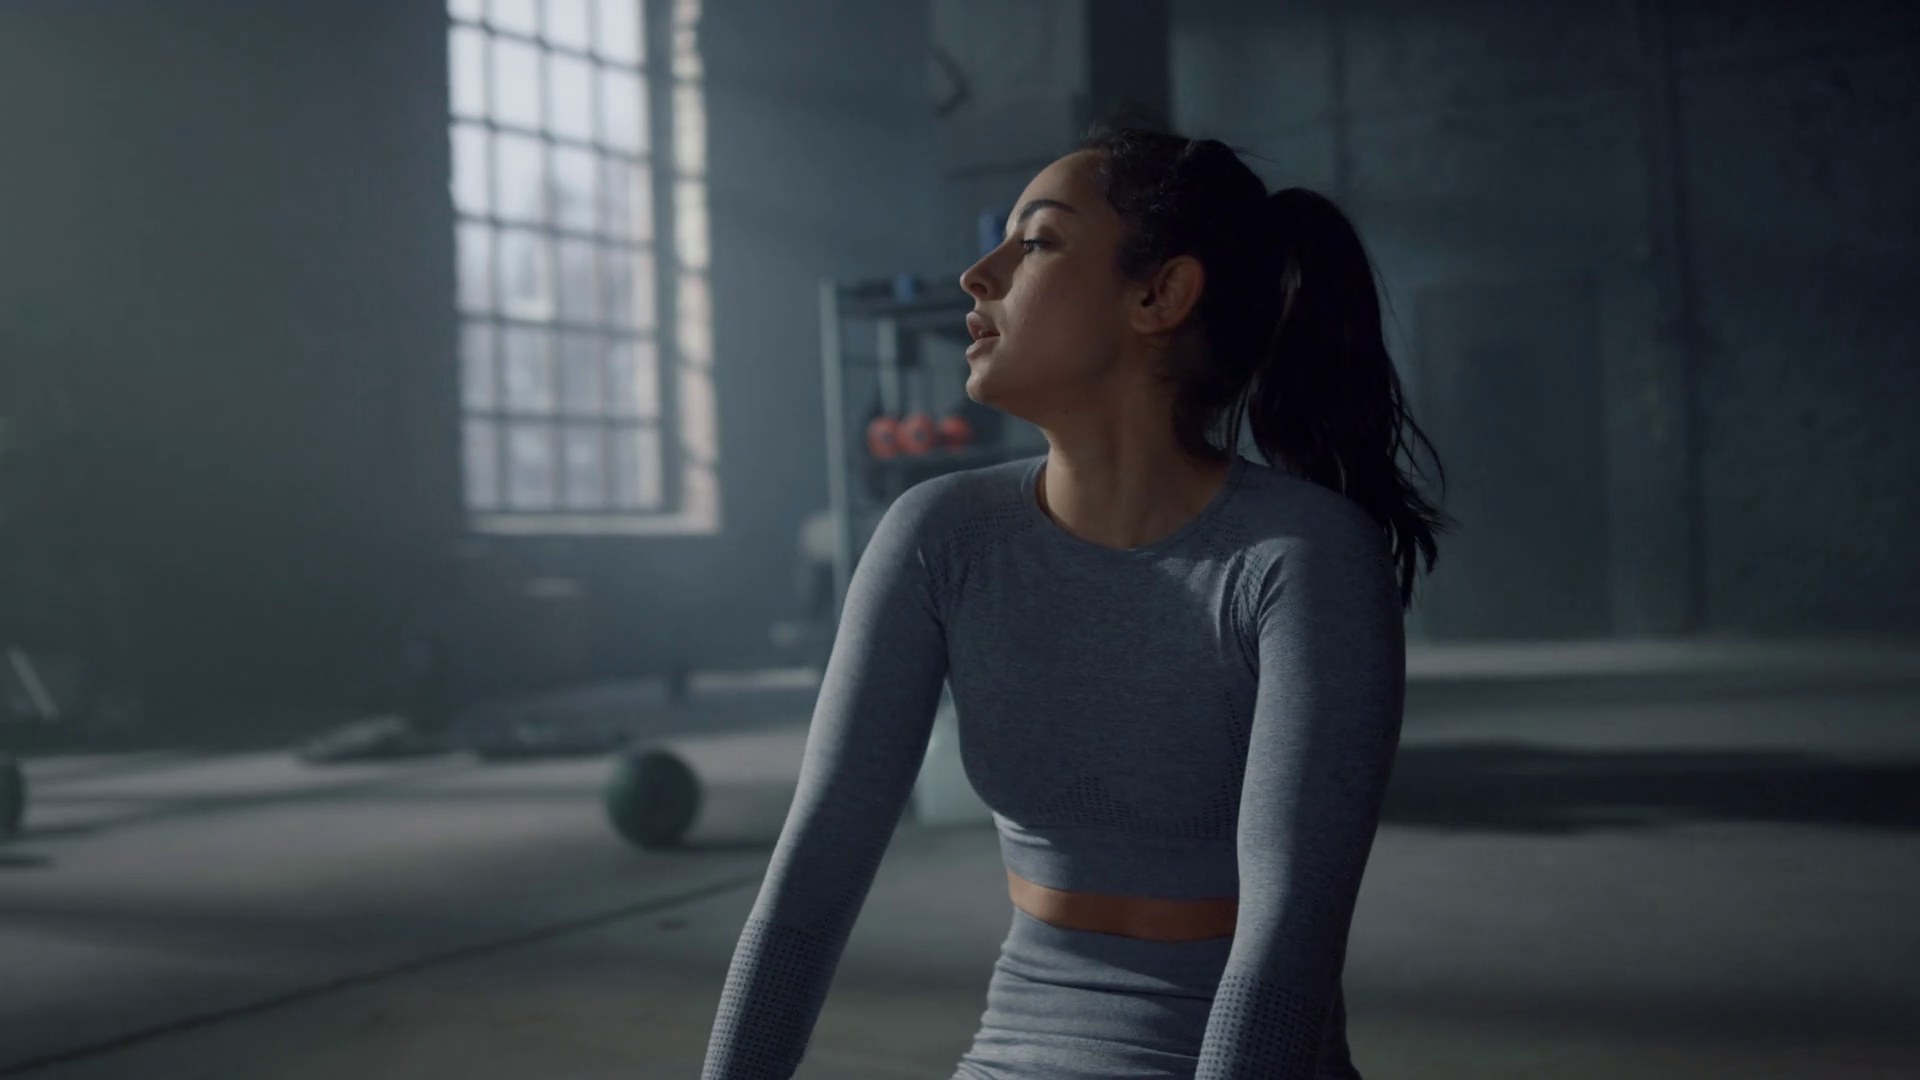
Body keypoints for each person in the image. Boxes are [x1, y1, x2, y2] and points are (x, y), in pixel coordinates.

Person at [699, 124, 1450, 1079]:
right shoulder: (939, 535)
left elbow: (1289, 944)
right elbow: (809, 888)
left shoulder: (1301, 556)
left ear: (1159, 295)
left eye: (1037, 241)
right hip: (1011, 1051)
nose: (979, 275)